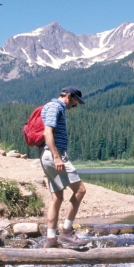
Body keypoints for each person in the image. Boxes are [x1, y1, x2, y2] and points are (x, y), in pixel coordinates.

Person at [40, 86, 89, 248]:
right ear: (68, 96)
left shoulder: (52, 106)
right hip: (55, 155)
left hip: (50, 156)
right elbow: (47, 133)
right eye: (75, 101)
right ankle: (67, 233)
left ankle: (51, 240)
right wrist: (56, 157)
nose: (75, 105)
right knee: (80, 190)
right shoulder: (55, 107)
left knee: (57, 198)